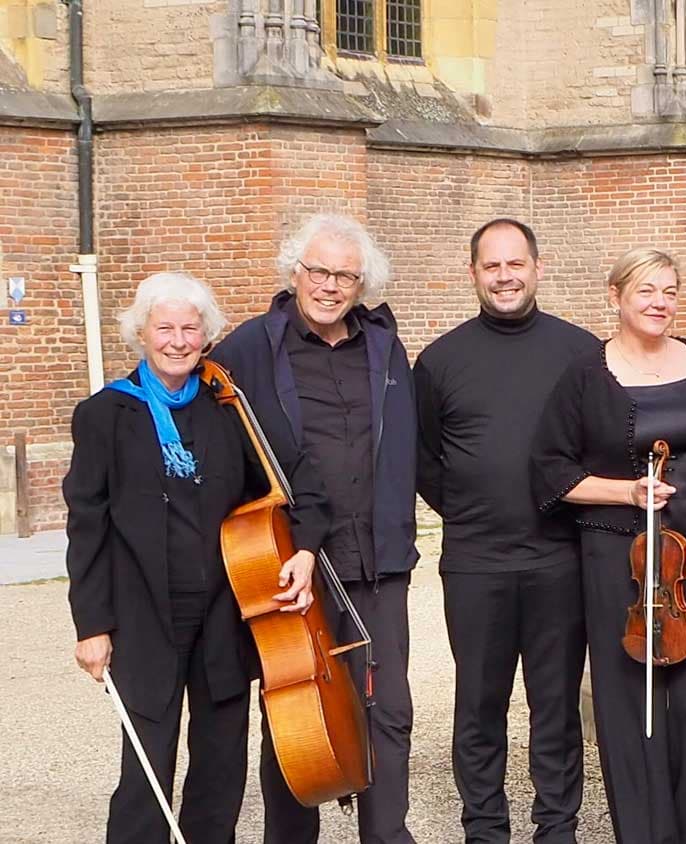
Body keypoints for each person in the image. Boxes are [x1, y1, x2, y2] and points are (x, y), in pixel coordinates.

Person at [68, 272, 327, 844]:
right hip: (143, 618)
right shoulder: (104, 414)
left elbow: (297, 482)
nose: (178, 340)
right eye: (165, 328)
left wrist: (305, 548)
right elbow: (86, 528)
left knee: (220, 767)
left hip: (224, 616)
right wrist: (92, 625)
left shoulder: (230, 408)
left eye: (190, 328)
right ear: (141, 333)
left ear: (207, 335)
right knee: (146, 770)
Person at [208, 212, 418, 844]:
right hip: (292, 558)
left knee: (388, 712)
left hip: (377, 559)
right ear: (294, 272)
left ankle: (386, 836)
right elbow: (222, 450)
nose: (329, 286)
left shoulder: (385, 345)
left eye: (345, 276)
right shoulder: (247, 348)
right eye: (318, 271)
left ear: (363, 285)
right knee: (295, 709)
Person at [529, 248, 686, 843]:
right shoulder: (585, 373)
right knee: (631, 707)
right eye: (647, 291)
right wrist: (626, 491)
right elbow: (550, 470)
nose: (660, 303)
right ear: (617, 295)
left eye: (670, 292)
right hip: (620, 557)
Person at [414, 217, 601, 843]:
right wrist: (472, 513)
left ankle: (557, 829)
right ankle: (485, 830)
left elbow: (597, 449)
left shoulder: (581, 352)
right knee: (478, 710)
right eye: (491, 266)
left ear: (537, 268)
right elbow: (424, 461)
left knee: (555, 710)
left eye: (515, 263)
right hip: (475, 563)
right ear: (473, 274)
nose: (504, 276)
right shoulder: (440, 360)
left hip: (558, 559)